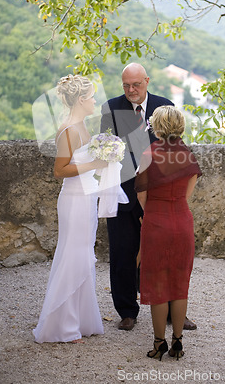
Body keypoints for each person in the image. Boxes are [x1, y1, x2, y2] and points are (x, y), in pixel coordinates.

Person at [100, 63, 197, 331]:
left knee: (166, 255)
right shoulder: (111, 108)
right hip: (123, 193)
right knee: (122, 253)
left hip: (158, 196)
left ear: (147, 81)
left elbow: (174, 146)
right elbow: (109, 148)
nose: (131, 90)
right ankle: (127, 310)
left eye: (136, 85)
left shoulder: (165, 105)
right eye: (126, 85)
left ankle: (171, 312)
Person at [33, 74, 107, 343]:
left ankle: (81, 319)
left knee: (85, 255)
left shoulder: (83, 126)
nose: (95, 100)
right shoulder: (68, 130)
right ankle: (62, 325)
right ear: (81, 100)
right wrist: (95, 164)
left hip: (87, 197)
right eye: (92, 96)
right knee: (73, 256)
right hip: (73, 200)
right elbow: (59, 170)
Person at [134, 106, 202, 360]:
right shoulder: (188, 155)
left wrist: (153, 212)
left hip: (156, 223)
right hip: (182, 221)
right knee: (180, 283)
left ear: (156, 126)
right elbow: (186, 194)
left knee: (158, 283)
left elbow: (142, 194)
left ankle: (159, 343)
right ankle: (178, 343)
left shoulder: (148, 154)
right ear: (180, 126)